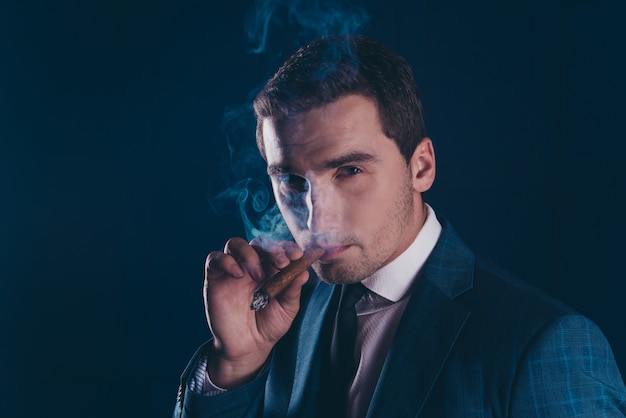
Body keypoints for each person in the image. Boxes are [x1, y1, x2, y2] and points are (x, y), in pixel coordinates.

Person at [173, 35, 626, 417]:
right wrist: (234, 364)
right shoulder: (278, 315)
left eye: (349, 171)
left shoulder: (544, 346)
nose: (317, 217)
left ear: (422, 167)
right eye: (291, 180)